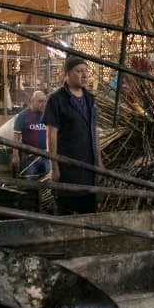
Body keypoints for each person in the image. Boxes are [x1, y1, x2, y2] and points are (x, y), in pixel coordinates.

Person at [44, 55, 101, 214]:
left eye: (86, 71)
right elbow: (51, 135)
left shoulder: (90, 99)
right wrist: (54, 167)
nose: (84, 75)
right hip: (68, 168)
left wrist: (99, 163)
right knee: (67, 215)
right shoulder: (57, 100)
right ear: (67, 74)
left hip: (88, 168)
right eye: (79, 71)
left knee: (89, 215)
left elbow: (94, 132)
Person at [12, 90, 49, 178]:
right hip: (29, 157)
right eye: (40, 101)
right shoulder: (22, 116)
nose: (43, 104)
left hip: (46, 156)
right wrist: (15, 156)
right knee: (30, 181)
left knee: (48, 182)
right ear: (32, 101)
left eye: (44, 101)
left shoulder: (47, 115)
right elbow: (16, 137)